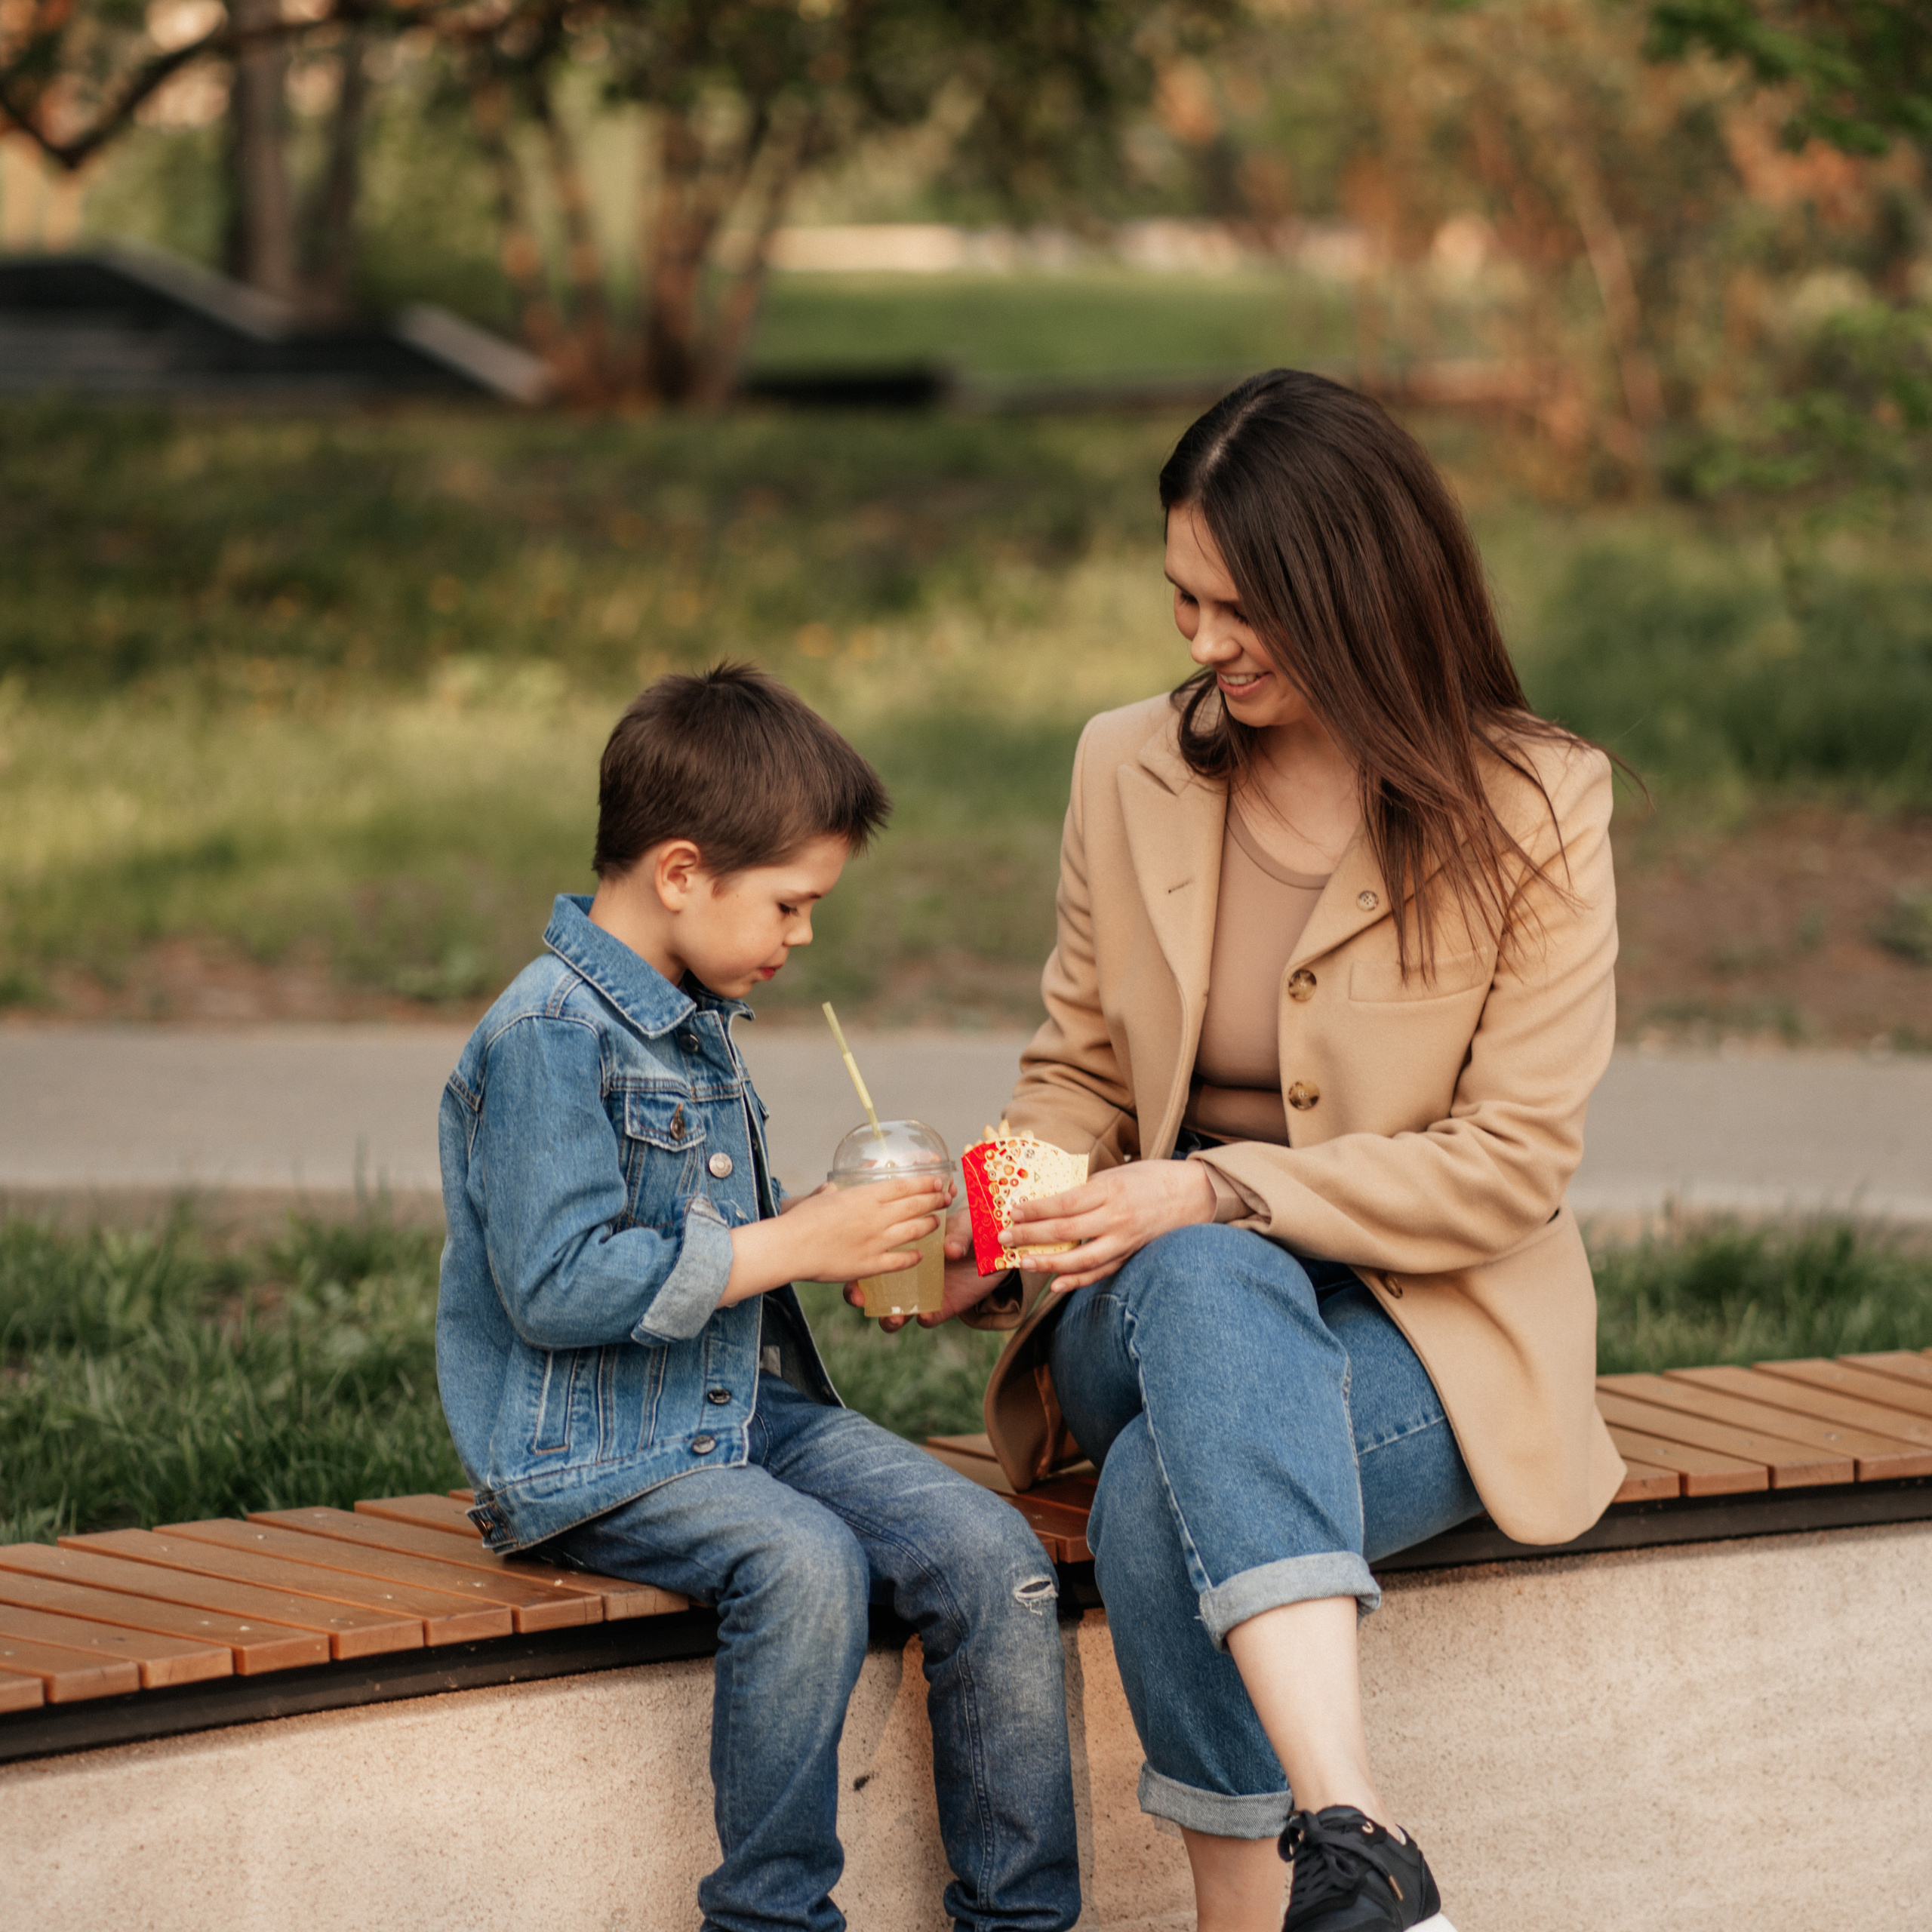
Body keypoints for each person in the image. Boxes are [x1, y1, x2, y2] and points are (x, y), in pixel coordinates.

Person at [905, 370, 1623, 1932]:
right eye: (1181, 599)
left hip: (1435, 1333)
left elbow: (1510, 1160)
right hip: (1148, 1312)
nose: (1202, 643)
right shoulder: (1124, 765)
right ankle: (1356, 1829)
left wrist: (1222, 1182)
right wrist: (995, 1207)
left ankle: (1275, 1911)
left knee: (1164, 1488)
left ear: (1360, 595)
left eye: (1244, 609)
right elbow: (1079, 1067)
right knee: (1205, 1272)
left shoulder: (1536, 802)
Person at [435, 663, 1081, 1932]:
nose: (801, 938)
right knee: (806, 1563)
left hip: (730, 1412)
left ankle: (1021, 1920)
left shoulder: (689, 1014)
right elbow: (559, 1286)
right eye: (791, 905)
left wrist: (839, 1253)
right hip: (590, 1450)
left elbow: (723, 1242)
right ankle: (772, 1919)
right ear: (682, 873)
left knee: (990, 1555)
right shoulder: (548, 1038)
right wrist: (793, 1243)